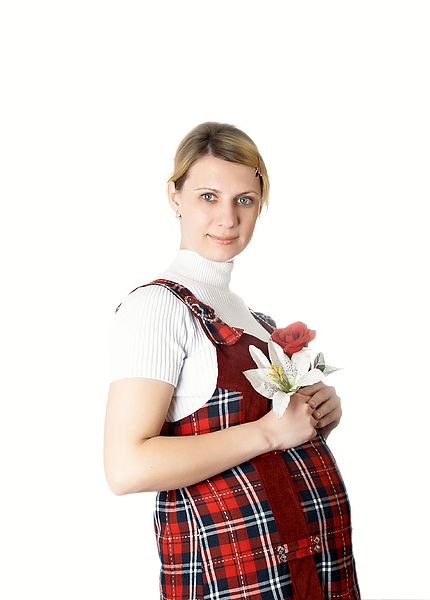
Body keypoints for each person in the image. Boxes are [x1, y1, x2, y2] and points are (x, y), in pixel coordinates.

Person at [104, 121, 361, 599]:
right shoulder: (157, 308)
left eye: (244, 199)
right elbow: (127, 466)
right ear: (174, 196)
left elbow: (278, 433)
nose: (227, 217)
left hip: (315, 572)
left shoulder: (253, 317)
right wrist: (269, 431)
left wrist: (317, 414)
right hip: (236, 579)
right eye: (207, 196)